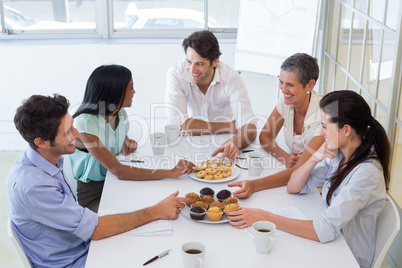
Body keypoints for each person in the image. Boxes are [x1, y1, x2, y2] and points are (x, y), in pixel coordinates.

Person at [7, 94, 188, 267]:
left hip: (79, 243)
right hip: (74, 260)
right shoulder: (35, 186)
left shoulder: (44, 159)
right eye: (68, 132)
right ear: (41, 142)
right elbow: (96, 229)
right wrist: (156, 211)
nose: (77, 134)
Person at [226, 90, 390, 268]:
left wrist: (266, 217)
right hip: (330, 245)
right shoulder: (341, 154)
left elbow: (324, 230)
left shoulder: (366, 173)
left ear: (346, 130)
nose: (321, 131)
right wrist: (314, 158)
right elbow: (294, 186)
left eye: (325, 126)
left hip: (345, 257)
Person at [69, 65, 194, 213]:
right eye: (131, 88)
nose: (134, 92)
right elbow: (119, 170)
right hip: (96, 193)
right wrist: (170, 172)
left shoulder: (119, 113)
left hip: (116, 185)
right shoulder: (85, 123)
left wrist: (125, 140)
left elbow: (112, 134)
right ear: (115, 92)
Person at [228, 53, 325, 198]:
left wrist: (254, 185)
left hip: (318, 189)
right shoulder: (287, 100)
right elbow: (265, 136)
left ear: (310, 85)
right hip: (295, 180)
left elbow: (299, 170)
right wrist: (284, 157)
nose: (283, 89)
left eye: (290, 85)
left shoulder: (324, 117)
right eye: (281, 82)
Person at [165, 30, 257, 160]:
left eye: (199, 64)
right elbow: (178, 125)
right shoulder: (176, 73)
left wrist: (233, 143)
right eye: (189, 62)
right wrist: (227, 126)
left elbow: (250, 126)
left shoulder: (231, 79)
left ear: (215, 62)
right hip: (192, 139)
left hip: (226, 139)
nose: (192, 70)